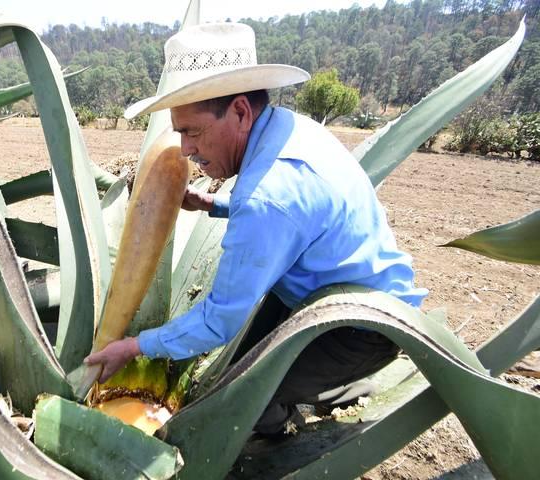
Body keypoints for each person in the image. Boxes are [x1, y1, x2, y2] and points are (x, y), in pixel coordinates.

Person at [84, 22, 428, 435]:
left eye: (192, 132)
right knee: (243, 361)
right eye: (179, 134)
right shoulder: (290, 129)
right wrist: (214, 203)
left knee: (242, 399)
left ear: (241, 111)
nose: (186, 150)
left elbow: (219, 323)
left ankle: (281, 430)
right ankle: (323, 382)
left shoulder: (267, 196)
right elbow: (295, 217)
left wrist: (135, 346)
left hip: (361, 329)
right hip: (328, 289)